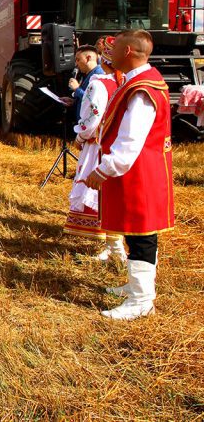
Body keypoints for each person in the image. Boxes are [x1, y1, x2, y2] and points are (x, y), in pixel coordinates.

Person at [85, 30, 175, 321]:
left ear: (128, 53)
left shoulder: (142, 88)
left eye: (116, 47)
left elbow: (130, 139)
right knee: (135, 233)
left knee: (141, 235)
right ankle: (136, 287)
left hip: (138, 173)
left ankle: (141, 300)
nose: (109, 53)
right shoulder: (141, 81)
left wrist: (103, 169)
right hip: (139, 171)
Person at [62, 41, 125, 261]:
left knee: (99, 193)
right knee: (109, 194)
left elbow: (92, 118)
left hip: (97, 144)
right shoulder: (121, 82)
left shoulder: (98, 84)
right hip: (112, 143)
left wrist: (80, 135)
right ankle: (113, 245)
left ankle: (116, 250)